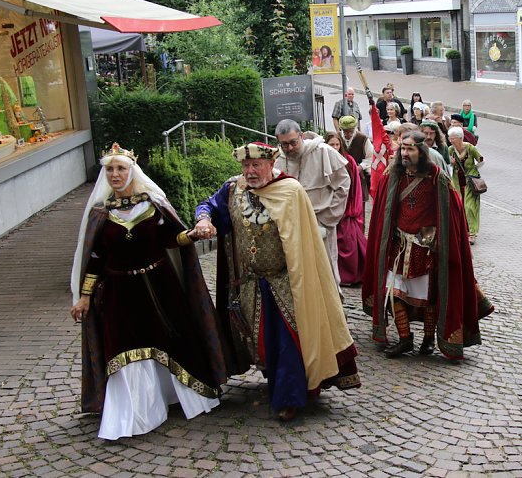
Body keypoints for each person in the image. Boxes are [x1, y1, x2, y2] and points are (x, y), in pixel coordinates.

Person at [70, 143, 229, 440]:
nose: (115, 174)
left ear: (132, 171)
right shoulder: (100, 215)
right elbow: (95, 260)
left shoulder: (153, 205)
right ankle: (136, 414)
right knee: (124, 348)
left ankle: (178, 395)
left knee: (174, 340)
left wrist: (191, 234)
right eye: (110, 169)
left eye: (121, 168)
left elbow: (170, 238)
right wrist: (85, 296)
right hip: (120, 293)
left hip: (160, 286)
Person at [193, 142, 361, 421]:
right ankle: (278, 383)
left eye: (256, 165)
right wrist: (203, 219)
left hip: (287, 280)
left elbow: (304, 241)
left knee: (288, 337)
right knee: (260, 338)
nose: (250, 171)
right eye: (246, 166)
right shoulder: (233, 190)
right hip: (249, 284)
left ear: (271, 165)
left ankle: (289, 398)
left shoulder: (290, 191)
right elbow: (208, 205)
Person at [362, 131, 492, 359]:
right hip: (399, 243)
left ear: (421, 151)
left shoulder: (437, 177)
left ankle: (429, 339)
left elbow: (452, 212)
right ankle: (405, 339)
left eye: (410, 149)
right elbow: (384, 208)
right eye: (403, 148)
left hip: (427, 245)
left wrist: (438, 242)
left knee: (429, 295)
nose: (405, 153)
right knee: (395, 292)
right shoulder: (393, 174)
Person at [274, 119, 350, 285]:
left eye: (293, 142)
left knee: (326, 270)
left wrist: (327, 218)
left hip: (320, 222)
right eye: (284, 144)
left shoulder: (322, 151)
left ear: (301, 136)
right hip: (291, 226)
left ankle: (331, 309)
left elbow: (343, 185)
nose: (290, 148)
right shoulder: (278, 159)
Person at [326, 132, 367, 286]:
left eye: (337, 144)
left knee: (348, 243)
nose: (335, 148)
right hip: (328, 206)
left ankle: (351, 275)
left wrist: (351, 210)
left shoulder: (348, 161)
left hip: (346, 208)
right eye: (332, 145)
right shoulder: (323, 160)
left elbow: (354, 186)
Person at [449, 127, 484, 244]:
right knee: (459, 206)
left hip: (470, 183)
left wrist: (474, 171)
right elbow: (447, 165)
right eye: (450, 138)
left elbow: (481, 160)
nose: (451, 140)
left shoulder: (470, 148)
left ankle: (473, 234)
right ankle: (462, 232)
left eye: (453, 138)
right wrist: (451, 163)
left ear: (460, 138)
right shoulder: (450, 150)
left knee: (469, 207)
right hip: (457, 182)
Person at [339, 115, 374, 200]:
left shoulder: (363, 139)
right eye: (345, 132)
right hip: (341, 176)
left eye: (351, 131)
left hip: (359, 176)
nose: (348, 134)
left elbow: (370, 157)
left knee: (359, 201)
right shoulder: (338, 137)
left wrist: (360, 167)